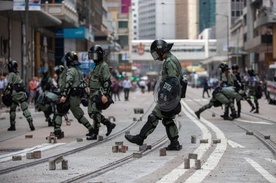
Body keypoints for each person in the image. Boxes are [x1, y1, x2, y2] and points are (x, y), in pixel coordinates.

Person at [125, 39, 183, 151]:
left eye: (156, 53)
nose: (156, 56)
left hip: (169, 98)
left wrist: (165, 96)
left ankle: (140, 138)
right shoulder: (171, 59)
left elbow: (172, 81)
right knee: (168, 120)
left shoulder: (170, 62)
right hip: (172, 97)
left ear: (161, 51)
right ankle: (174, 143)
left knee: (153, 117)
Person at [54, 51, 95, 139]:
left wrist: (64, 95)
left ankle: (91, 129)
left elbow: (68, 83)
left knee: (77, 115)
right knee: (60, 112)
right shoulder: (78, 71)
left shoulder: (70, 71)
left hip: (70, 97)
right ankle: (57, 130)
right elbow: (83, 84)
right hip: (75, 96)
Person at [87, 45, 116, 140]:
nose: (93, 58)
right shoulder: (96, 66)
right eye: (92, 56)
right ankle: (108, 124)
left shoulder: (103, 66)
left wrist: (105, 95)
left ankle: (95, 133)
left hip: (98, 93)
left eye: (95, 56)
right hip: (92, 93)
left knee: (95, 112)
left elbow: (107, 81)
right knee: (91, 113)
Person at [2, 60, 35, 131]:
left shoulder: (11, 74)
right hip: (22, 94)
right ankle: (30, 121)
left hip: (15, 95)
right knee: (25, 109)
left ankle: (12, 125)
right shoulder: (17, 75)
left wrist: (4, 93)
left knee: (12, 110)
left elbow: (9, 85)